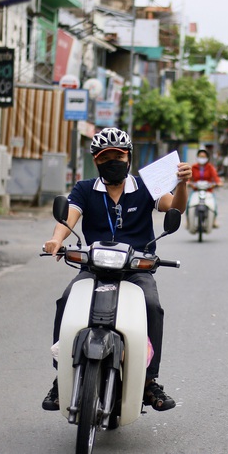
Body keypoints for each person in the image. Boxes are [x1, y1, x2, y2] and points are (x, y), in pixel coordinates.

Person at [41, 127, 192, 412]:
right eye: (105, 156)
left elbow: (176, 208)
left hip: (136, 268)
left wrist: (182, 184)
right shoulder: (85, 189)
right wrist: (56, 240)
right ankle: (60, 376)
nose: (112, 161)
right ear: (96, 161)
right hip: (94, 267)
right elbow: (68, 218)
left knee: (152, 305)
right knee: (66, 299)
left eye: (118, 155)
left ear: (128, 157)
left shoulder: (146, 186)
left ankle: (149, 380)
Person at [189, 148, 222, 227]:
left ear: (207, 158)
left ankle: (214, 220)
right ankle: (188, 221)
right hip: (196, 190)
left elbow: (216, 177)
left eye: (204, 157)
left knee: (214, 204)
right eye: (200, 156)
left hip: (208, 190)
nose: (202, 158)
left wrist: (218, 183)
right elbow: (189, 178)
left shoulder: (210, 167)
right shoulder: (193, 167)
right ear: (197, 157)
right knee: (189, 203)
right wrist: (188, 183)